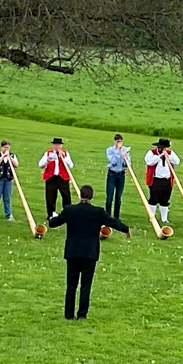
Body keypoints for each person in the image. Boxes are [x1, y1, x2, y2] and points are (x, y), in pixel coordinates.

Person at [47, 184, 130, 320]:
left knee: (71, 285)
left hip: (73, 252)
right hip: (90, 252)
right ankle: (82, 314)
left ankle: (68, 314)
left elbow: (53, 224)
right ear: (91, 196)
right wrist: (125, 229)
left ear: (80, 195)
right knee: (86, 285)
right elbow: (112, 222)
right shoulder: (98, 212)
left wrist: (52, 217)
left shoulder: (70, 210)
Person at [144, 138, 179, 223]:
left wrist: (168, 157)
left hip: (167, 180)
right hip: (156, 180)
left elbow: (177, 161)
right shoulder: (151, 153)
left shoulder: (170, 153)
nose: (162, 149)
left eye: (163, 148)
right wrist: (159, 156)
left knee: (165, 199)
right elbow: (149, 162)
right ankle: (152, 217)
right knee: (154, 198)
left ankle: (164, 218)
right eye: (160, 147)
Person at [39, 137, 74, 218]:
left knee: (66, 197)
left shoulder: (66, 153)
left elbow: (71, 165)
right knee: (50, 197)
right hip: (51, 178)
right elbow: (40, 164)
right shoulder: (48, 153)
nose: (57, 146)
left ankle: (67, 214)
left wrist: (64, 158)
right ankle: (51, 214)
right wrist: (47, 160)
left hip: (62, 178)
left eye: (59, 145)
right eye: (56, 145)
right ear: (53, 145)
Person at [0, 140, 18, 221]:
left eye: (8, 147)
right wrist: (3, 156)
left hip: (8, 180)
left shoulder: (12, 155)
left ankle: (8, 215)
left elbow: (16, 165)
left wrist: (10, 157)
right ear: (1, 147)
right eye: (5, 147)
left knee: (7, 198)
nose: (6, 149)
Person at [104, 134, 130, 219]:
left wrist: (126, 158)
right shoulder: (110, 150)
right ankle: (107, 217)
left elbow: (128, 164)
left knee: (118, 198)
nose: (119, 143)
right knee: (109, 197)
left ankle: (116, 217)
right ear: (114, 141)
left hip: (121, 174)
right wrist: (118, 152)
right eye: (117, 141)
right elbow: (113, 161)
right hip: (112, 174)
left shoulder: (125, 150)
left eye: (120, 141)